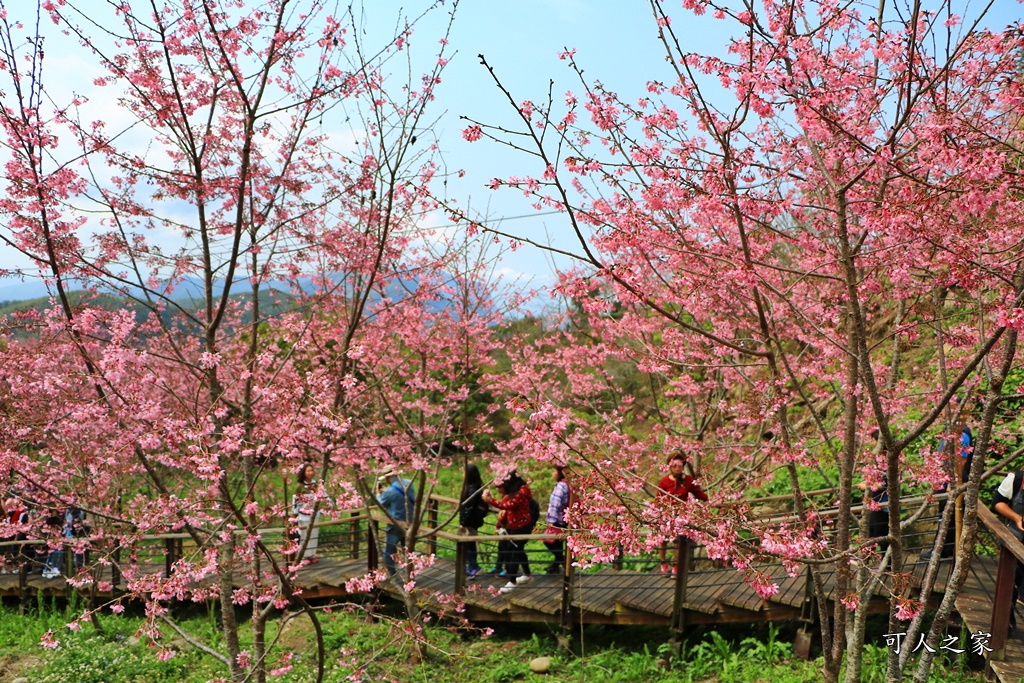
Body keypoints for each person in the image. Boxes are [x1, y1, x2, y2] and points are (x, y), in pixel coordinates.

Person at [483, 471, 534, 593]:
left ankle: (512, 581)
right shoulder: (521, 489)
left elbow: (508, 504)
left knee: (513, 552)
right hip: (517, 524)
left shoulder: (520, 492)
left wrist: (489, 500)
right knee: (518, 550)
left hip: (520, 526)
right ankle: (527, 575)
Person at [657, 454, 708, 574]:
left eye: (680, 465)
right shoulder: (665, 481)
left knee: (678, 541)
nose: (677, 468)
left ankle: (676, 565)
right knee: (662, 538)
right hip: (667, 514)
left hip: (681, 515)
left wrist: (711, 500)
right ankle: (663, 562)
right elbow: (658, 498)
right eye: (674, 465)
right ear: (670, 466)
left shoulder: (688, 480)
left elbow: (698, 493)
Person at [992, 469, 1024, 634]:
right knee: (1010, 584)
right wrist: (1017, 518)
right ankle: (1006, 624)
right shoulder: (1016, 479)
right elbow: (998, 502)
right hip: (1015, 541)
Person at [376, 468, 415, 577]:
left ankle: (391, 573)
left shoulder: (389, 491)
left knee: (390, 549)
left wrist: (379, 494)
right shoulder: (409, 483)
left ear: (388, 478)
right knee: (408, 549)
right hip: (410, 522)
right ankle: (410, 573)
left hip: (395, 524)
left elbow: (381, 503)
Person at [458, 463, 489, 578]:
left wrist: (463, 523)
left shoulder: (472, 489)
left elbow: (469, 508)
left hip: (469, 522)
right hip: (473, 521)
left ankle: (473, 566)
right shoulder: (476, 487)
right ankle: (471, 566)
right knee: (468, 545)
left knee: (468, 545)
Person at [542, 465, 571, 574]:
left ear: (560, 473)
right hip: (564, 520)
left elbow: (555, 504)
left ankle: (564, 561)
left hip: (557, 521)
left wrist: (551, 521)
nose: (553, 473)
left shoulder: (560, 486)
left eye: (554, 471)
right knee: (558, 544)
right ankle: (555, 567)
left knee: (548, 540)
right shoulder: (567, 485)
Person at [291, 464, 320, 561]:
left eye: (312, 470)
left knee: (314, 534)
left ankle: (312, 554)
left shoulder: (316, 484)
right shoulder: (299, 486)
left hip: (314, 513)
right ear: (304, 473)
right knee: (304, 535)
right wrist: (295, 516)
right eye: (308, 471)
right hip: (304, 515)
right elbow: (295, 501)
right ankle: (304, 555)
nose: (311, 473)